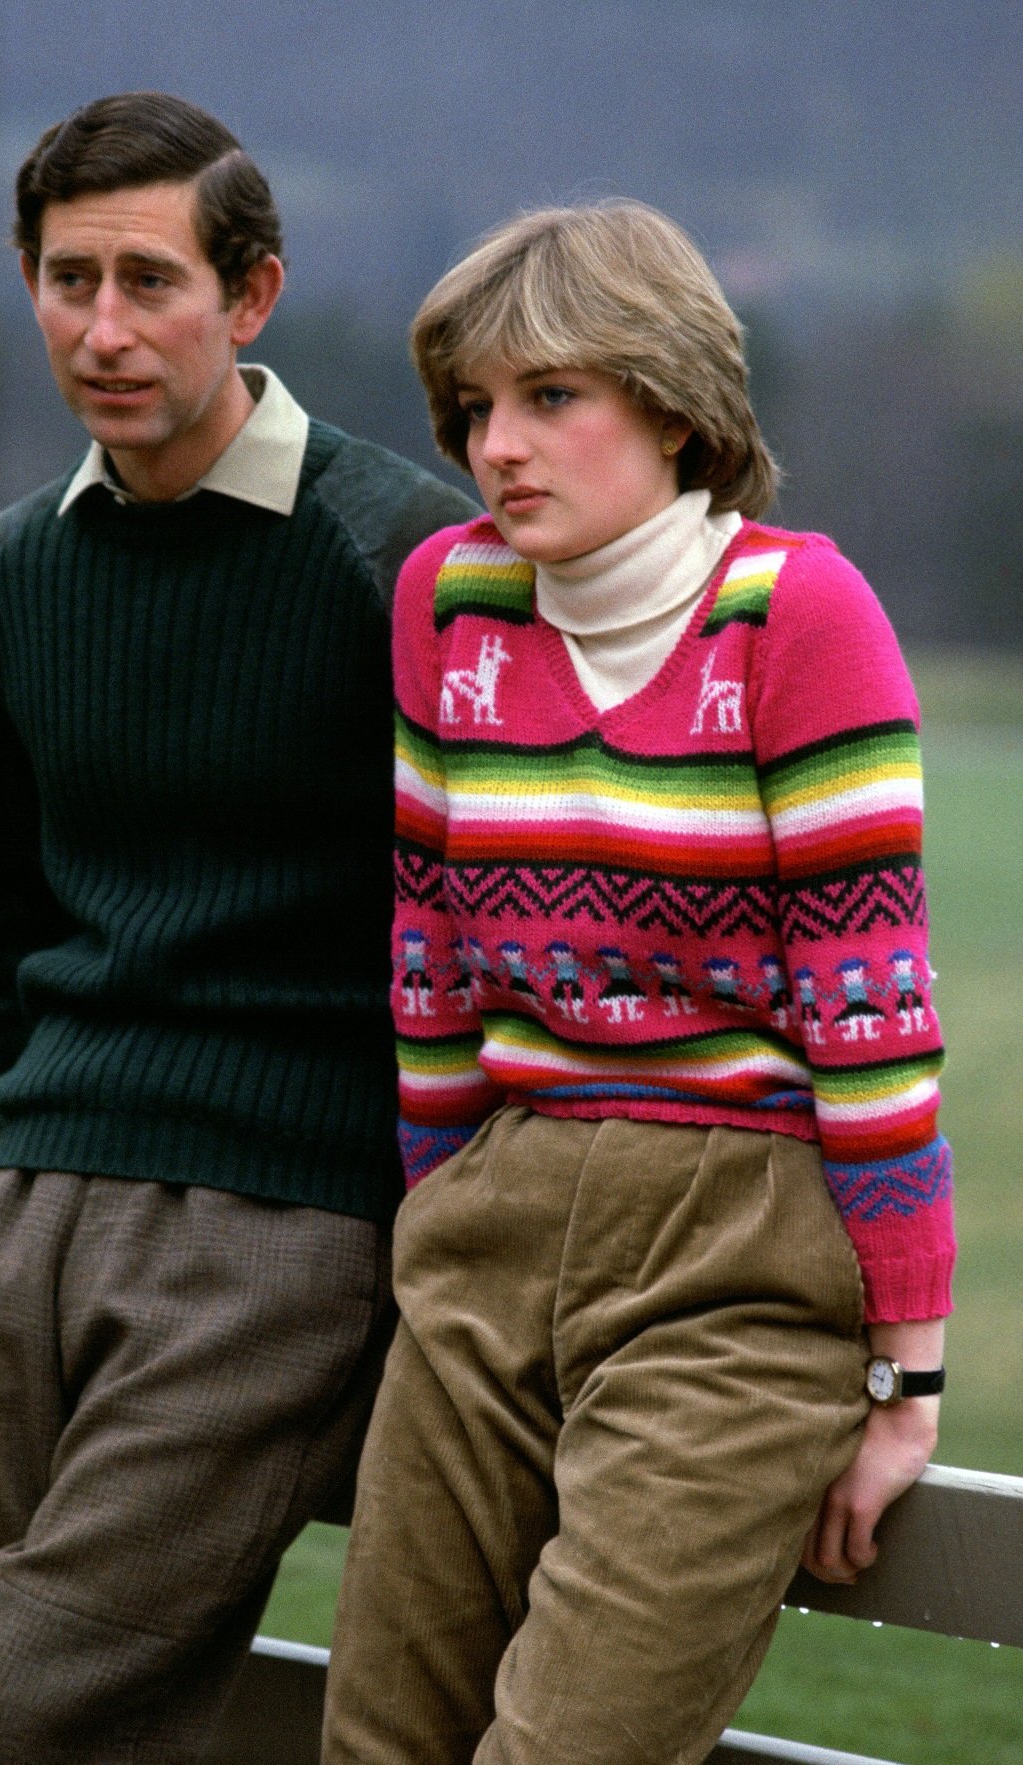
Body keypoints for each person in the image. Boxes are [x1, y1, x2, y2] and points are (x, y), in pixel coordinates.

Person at [0, 91, 476, 1765]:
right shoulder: (2, 576)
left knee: (34, 1714)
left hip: (284, 1222)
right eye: (70, 280)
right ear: (26, 280)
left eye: (152, 282)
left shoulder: (405, 557)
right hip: (27, 1204)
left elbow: (481, 911)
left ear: (253, 295)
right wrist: (35, 1126)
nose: (106, 328)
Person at [321, 201, 954, 1765]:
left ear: (671, 405)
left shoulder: (797, 617)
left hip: (732, 1254)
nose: (495, 447)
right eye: (474, 407)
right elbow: (429, 958)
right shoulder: (446, 603)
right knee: (378, 1743)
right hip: (489, 1218)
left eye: (549, 397)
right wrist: (437, 1224)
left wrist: (906, 1375)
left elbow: (869, 1021)